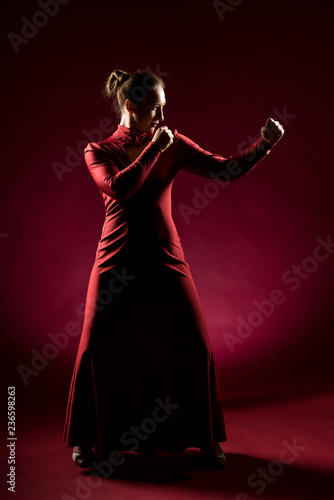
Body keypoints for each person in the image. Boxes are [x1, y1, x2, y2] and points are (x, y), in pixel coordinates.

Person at [62, 68, 284, 471]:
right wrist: (153, 150)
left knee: (193, 342)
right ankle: (86, 438)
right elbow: (121, 189)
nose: (163, 119)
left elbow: (224, 170)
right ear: (132, 106)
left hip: (165, 256)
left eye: (164, 110)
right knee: (97, 345)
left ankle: (206, 439)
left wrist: (264, 144)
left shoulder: (172, 143)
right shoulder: (98, 150)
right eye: (156, 110)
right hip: (116, 259)